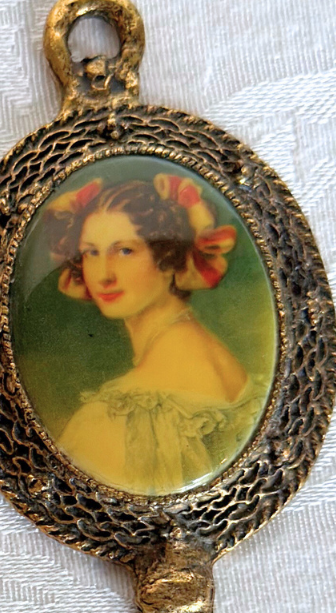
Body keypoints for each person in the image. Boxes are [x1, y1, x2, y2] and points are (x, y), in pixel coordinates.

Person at [47, 173, 258, 496]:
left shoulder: (119, 416)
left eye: (125, 251)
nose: (103, 275)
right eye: (91, 252)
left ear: (169, 256)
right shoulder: (209, 351)